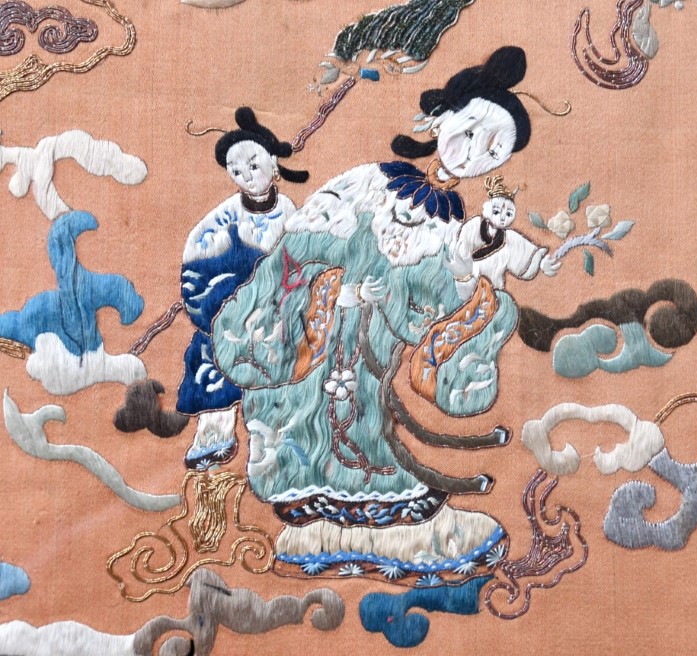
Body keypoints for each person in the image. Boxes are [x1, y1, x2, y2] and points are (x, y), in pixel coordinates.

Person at [211, 47, 531, 585]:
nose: (475, 151)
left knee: (374, 427)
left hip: (376, 356)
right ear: (441, 119)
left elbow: (425, 313)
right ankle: (316, 530)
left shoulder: (453, 224)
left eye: (494, 149)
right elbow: (297, 253)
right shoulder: (368, 181)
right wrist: (336, 294)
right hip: (322, 344)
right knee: (315, 428)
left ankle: (384, 529)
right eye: (472, 131)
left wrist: (460, 270)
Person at [177, 107, 308, 470]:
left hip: (276, 312)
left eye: (253, 165)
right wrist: (219, 307)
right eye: (236, 171)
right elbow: (196, 265)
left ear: (273, 163)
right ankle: (213, 435)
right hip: (226, 308)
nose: (247, 176)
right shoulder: (223, 218)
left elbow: (299, 260)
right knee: (212, 359)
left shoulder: (289, 210)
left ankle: (275, 449)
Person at [455, 174, 560, 290]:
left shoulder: (510, 238)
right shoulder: (473, 225)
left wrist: (541, 262)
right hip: (465, 284)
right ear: (488, 208)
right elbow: (459, 250)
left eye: (508, 214)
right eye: (496, 212)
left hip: (493, 291)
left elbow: (528, 255)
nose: (502, 218)